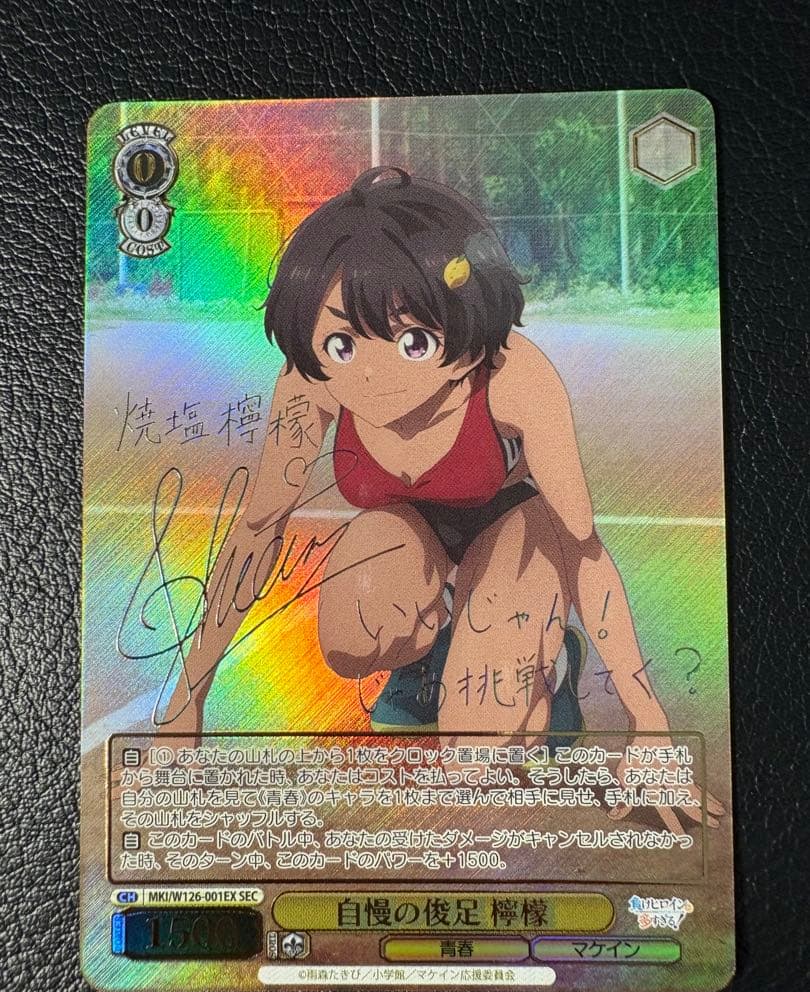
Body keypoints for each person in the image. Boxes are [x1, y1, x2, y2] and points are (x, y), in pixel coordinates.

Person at [164, 166, 724, 834]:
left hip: (512, 522)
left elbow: (584, 549)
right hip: (403, 533)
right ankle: (430, 653)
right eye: (342, 343)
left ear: (465, 327)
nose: (373, 376)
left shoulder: (516, 378)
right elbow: (257, 531)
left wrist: (649, 722)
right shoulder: (311, 384)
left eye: (413, 341)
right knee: (352, 631)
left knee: (482, 755)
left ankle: (548, 663)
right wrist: (186, 702)